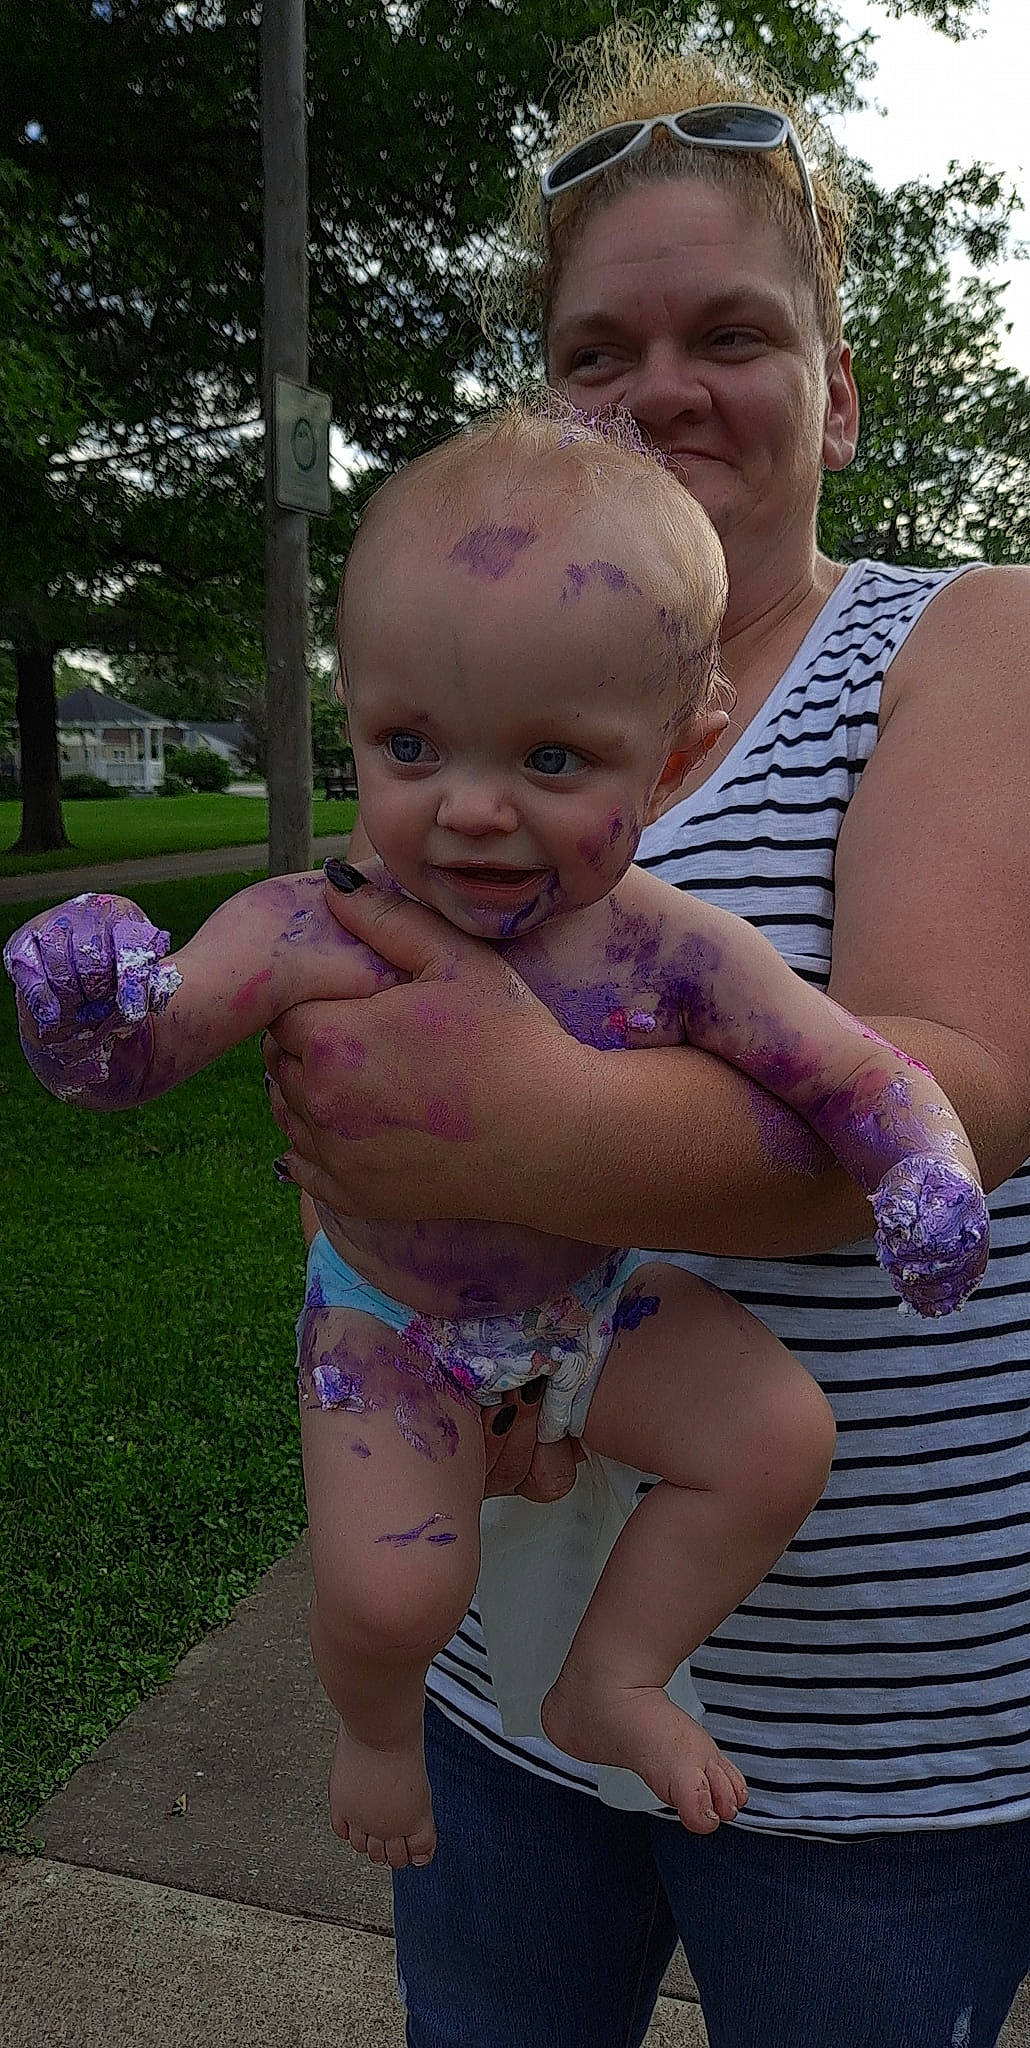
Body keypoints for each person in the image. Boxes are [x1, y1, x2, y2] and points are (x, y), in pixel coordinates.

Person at [254, 27, 1030, 2048]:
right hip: (506, 1641)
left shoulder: (964, 640)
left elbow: (959, 1076)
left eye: (730, 333)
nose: (659, 387)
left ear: (837, 393)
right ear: (547, 409)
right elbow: (358, 1052)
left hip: (868, 1709)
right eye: (596, 353)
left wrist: (501, 1137)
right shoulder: (491, 708)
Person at [5, 398, 990, 1874]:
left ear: (672, 760)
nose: (470, 810)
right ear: (357, 722)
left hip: (593, 1307)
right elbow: (138, 1056)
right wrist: (84, 1006)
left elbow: (848, 1071)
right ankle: (380, 1727)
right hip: (388, 1326)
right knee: (395, 1591)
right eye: (411, 744)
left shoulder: (667, 949)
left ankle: (614, 1674)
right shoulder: (312, 924)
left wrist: (924, 1168)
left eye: (550, 760)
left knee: (776, 1436)